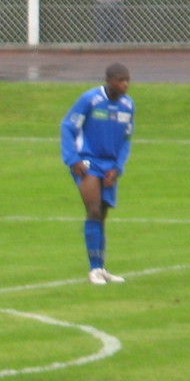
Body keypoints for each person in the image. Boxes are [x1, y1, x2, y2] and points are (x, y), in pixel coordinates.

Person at [60, 63, 134, 285]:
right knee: (92, 210)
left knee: (102, 214)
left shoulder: (128, 105)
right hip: (87, 161)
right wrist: (72, 159)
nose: (125, 84)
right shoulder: (90, 99)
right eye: (121, 80)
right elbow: (67, 127)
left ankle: (101, 267)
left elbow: (126, 141)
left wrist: (118, 167)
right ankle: (93, 270)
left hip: (109, 165)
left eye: (127, 80)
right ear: (109, 80)